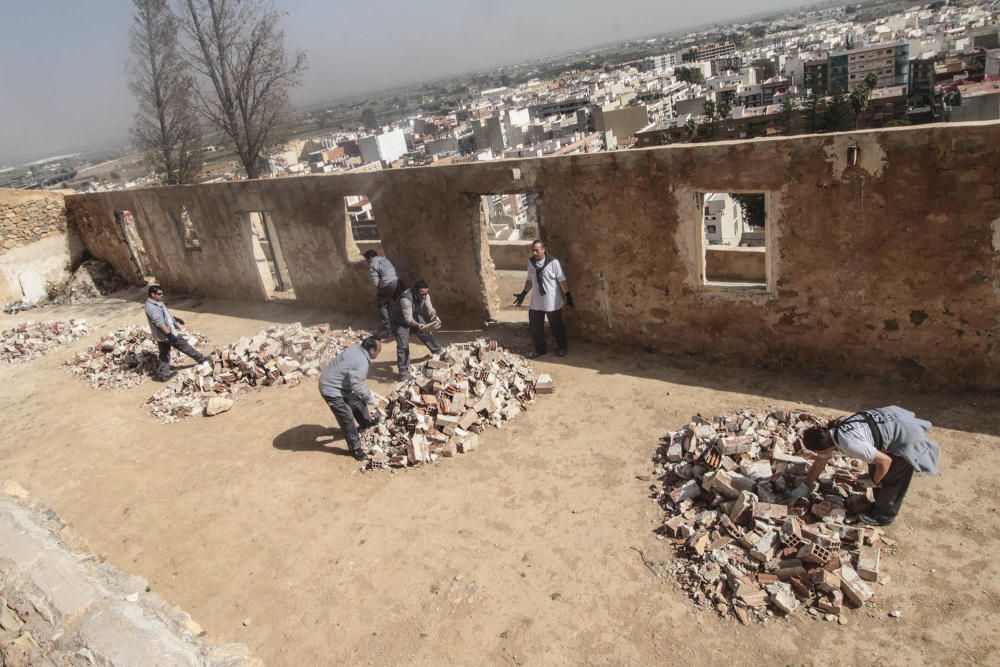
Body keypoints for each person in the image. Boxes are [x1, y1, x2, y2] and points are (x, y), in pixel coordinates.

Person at [801, 406, 940, 526]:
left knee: (892, 478)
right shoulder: (833, 430)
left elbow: (886, 461)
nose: (819, 455)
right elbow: (820, 461)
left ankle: (883, 516)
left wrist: (874, 481)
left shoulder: (849, 444)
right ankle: (877, 503)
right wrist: (805, 485)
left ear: (825, 448)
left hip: (907, 437)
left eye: (818, 452)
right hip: (895, 421)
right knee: (875, 465)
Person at [318, 336, 382, 460]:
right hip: (330, 389)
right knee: (346, 417)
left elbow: (354, 384)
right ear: (372, 350)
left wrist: (365, 396)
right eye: (379, 350)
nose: (380, 353)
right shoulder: (362, 362)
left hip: (340, 384)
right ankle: (355, 449)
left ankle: (365, 421)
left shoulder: (357, 349)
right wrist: (370, 397)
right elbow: (356, 385)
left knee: (356, 401)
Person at [513, 240, 573, 358]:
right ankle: (540, 349)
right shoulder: (531, 263)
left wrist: (568, 295)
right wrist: (523, 293)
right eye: (533, 250)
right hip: (537, 301)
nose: (534, 253)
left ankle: (562, 347)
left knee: (556, 326)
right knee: (535, 326)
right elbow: (530, 280)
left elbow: (562, 280)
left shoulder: (553, 262)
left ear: (543, 249)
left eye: (537, 250)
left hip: (552, 301)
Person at [144, 284, 208, 382]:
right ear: (153, 294)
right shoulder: (152, 308)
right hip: (166, 334)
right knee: (184, 345)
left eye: (162, 293)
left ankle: (164, 374)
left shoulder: (157, 302)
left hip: (162, 336)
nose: (162, 295)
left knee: (164, 354)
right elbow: (159, 323)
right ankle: (202, 359)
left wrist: (175, 319)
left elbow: (165, 314)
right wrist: (169, 335)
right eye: (159, 294)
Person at [392, 279, 443, 379]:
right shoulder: (405, 299)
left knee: (427, 333)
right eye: (422, 294)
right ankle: (403, 371)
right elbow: (408, 319)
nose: (424, 296)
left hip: (414, 316)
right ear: (415, 291)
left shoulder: (425, 295)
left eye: (425, 293)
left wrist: (434, 317)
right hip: (401, 321)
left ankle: (438, 351)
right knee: (403, 345)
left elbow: (430, 309)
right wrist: (420, 326)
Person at [364, 250, 399, 339]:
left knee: (382, 304)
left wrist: (380, 292)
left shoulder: (372, 264)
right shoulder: (384, 259)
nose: (366, 262)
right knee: (399, 303)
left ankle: (389, 330)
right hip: (398, 281)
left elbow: (376, 283)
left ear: (370, 258)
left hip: (389, 283)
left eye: (366, 260)